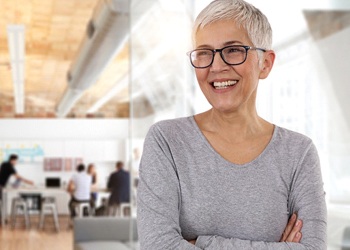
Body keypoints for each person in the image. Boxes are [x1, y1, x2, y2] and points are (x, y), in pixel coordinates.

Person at [137, 0, 327, 249]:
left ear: (266, 63)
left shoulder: (299, 152)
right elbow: (157, 246)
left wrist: (203, 243)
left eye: (234, 50)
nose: (216, 67)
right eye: (204, 52)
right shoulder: (167, 141)